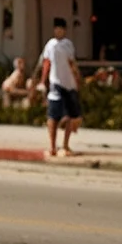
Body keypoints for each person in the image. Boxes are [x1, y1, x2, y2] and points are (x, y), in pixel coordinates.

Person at [41, 18, 82, 157]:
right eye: (56, 28)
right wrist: (43, 80)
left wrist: (77, 79)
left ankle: (65, 145)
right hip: (55, 82)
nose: (58, 31)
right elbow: (46, 63)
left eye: (61, 28)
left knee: (70, 115)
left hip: (68, 83)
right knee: (53, 115)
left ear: (64, 30)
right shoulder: (50, 45)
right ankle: (52, 146)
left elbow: (71, 63)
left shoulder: (67, 44)